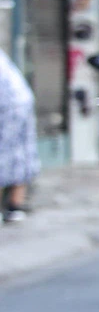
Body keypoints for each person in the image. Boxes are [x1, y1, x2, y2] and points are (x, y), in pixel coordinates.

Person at [0, 47, 35, 223]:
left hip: (11, 106)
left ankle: (14, 205)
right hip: (17, 102)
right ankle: (14, 205)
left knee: (9, 154)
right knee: (17, 153)